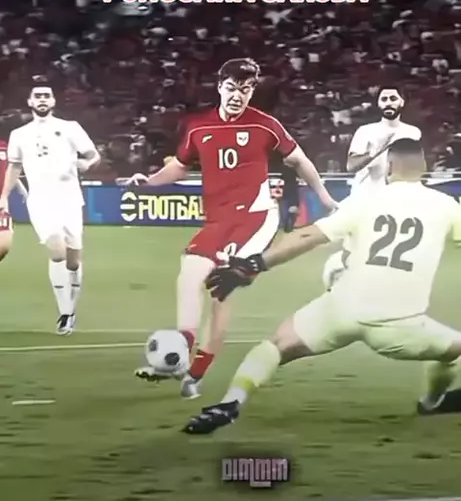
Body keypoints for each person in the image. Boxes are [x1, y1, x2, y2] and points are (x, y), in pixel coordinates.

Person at [183, 139, 461, 434]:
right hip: (402, 324)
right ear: (424, 166)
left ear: (389, 166)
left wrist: (253, 264)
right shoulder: (447, 206)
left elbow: (308, 237)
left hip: (342, 309)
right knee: (453, 353)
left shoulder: (365, 200)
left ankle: (230, 403)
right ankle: (431, 402)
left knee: (275, 346)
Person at [127, 57, 338, 399]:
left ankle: (194, 371)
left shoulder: (265, 125)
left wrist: (325, 198)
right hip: (217, 220)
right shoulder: (198, 127)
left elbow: (299, 160)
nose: (238, 95)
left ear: (252, 91)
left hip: (256, 219)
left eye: (246, 89)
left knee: (219, 290)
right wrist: (149, 182)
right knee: (189, 274)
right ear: (219, 87)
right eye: (232, 88)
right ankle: (181, 356)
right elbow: (179, 166)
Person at [0, 80, 100, 335]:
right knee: (56, 251)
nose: (42, 99)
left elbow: (93, 155)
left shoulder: (70, 128)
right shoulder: (19, 135)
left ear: (53, 101)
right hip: (40, 201)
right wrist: (4, 196)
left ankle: (71, 309)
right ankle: (64, 313)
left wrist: (87, 164)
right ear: (30, 102)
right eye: (38, 96)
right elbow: (14, 166)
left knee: (73, 260)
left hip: (70, 199)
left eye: (47, 95)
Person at [322, 86, 422, 291]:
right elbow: (351, 166)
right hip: (364, 199)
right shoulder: (366, 131)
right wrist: (376, 151)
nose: (388, 102)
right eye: (384, 99)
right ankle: (338, 277)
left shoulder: (412, 133)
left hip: (396, 201)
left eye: (393, 98)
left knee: (391, 253)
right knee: (355, 252)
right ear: (378, 104)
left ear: (402, 102)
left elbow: (413, 167)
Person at [0, 134, 27, 261]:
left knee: (4, 245)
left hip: (1, 202)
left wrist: (20, 187)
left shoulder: (4, 146)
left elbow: (8, 169)